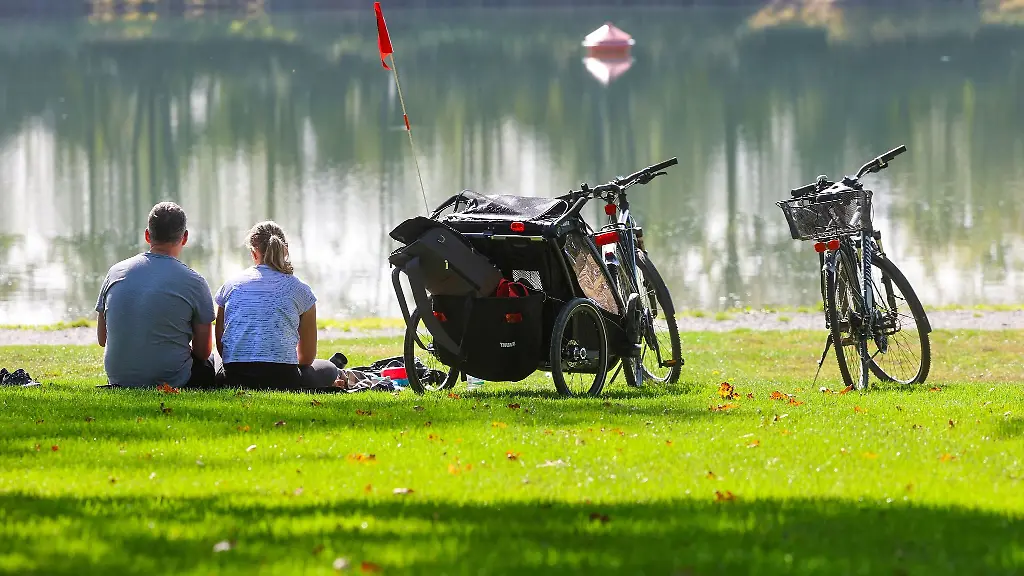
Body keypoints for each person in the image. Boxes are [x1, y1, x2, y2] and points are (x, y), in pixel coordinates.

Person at [96, 202, 216, 388]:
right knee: (212, 363)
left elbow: (103, 339)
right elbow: (202, 352)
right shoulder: (195, 282)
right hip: (174, 379)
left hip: (120, 378)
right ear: (184, 238)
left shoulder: (115, 272)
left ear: (147, 235)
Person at [214, 221, 339, 390]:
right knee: (328, 368)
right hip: (283, 379)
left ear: (253, 252)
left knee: (214, 362)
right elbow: (307, 358)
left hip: (234, 378)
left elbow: (223, 349)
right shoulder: (301, 291)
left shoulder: (229, 287)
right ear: (285, 249)